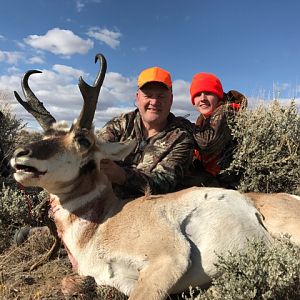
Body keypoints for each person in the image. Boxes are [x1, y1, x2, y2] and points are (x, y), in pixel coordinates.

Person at [98, 66, 195, 199]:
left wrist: (121, 176)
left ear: (171, 100)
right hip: (104, 204)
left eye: (161, 96)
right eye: (148, 95)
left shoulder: (181, 139)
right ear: (138, 98)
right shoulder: (120, 124)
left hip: (149, 211)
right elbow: (94, 152)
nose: (154, 102)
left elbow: (164, 184)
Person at [184, 72, 247, 189]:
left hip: (230, 182)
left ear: (218, 96)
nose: (202, 98)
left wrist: (183, 124)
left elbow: (208, 143)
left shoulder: (227, 111)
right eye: (197, 95)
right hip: (214, 176)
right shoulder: (203, 118)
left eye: (208, 93)